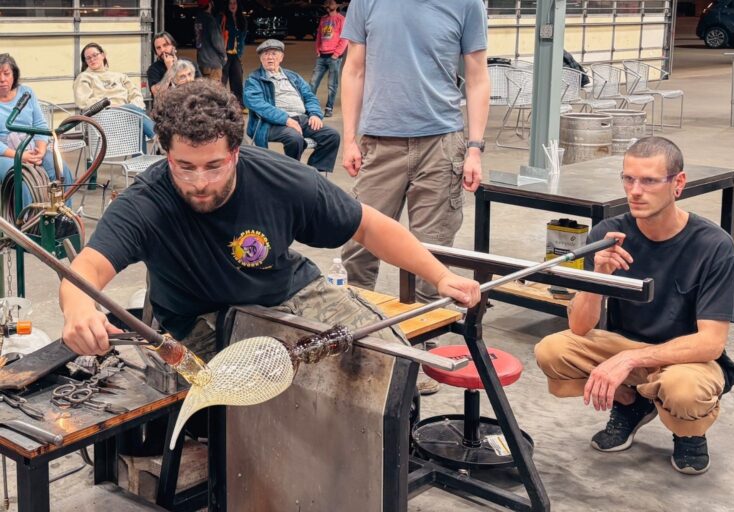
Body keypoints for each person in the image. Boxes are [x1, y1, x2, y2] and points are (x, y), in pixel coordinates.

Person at [59, 80, 480, 365]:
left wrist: (440, 276)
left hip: (290, 291)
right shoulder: (147, 202)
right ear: (166, 154)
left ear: (236, 152)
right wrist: (79, 309)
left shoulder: (282, 180)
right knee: (254, 400)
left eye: (214, 166)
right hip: (200, 320)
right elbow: (87, 267)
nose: (199, 182)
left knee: (389, 359)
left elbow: (368, 226)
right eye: (185, 166)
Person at [534, 137, 734, 475]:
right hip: (623, 344)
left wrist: (630, 359)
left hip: (686, 359)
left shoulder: (713, 245)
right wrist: (598, 277)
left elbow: (711, 343)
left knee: (683, 390)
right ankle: (632, 404)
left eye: (648, 181)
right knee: (552, 350)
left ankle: (687, 431)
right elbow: (579, 327)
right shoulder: (608, 235)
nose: (635, 191)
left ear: (678, 183)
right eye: (628, 179)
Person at [339, 0, 490, 303]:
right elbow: (354, 69)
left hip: (440, 146)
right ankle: (355, 323)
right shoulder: (366, 2)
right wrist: (350, 139)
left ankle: (426, 328)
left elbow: (477, 79)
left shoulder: (467, 4)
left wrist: (474, 149)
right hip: (380, 143)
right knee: (359, 249)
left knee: (432, 255)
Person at [244, 39, 340, 174]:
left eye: (274, 53)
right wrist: (286, 119)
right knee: (294, 138)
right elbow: (258, 104)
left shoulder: (293, 76)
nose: (270, 57)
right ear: (261, 58)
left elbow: (309, 96)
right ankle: (292, 173)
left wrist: (314, 114)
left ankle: (312, 173)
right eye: (265, 54)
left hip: (302, 119)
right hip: (272, 123)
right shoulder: (254, 80)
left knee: (332, 136)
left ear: (281, 57)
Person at [0, 53, 74, 208]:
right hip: (5, 153)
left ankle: (64, 216)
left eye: (6, 74)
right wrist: (20, 156)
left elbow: (39, 124)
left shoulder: (26, 93)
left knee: (62, 172)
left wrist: (41, 150)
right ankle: (26, 221)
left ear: (14, 74)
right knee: (23, 180)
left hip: (31, 148)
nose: (2, 79)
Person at [73, 42, 154, 144]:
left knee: (137, 119)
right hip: (104, 118)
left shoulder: (120, 76)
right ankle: (159, 137)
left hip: (127, 115)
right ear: (85, 61)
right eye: (88, 58)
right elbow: (83, 102)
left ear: (103, 55)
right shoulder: (84, 77)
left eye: (95, 55)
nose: (92, 59)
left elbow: (136, 95)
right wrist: (108, 105)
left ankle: (151, 144)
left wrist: (128, 107)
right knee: (137, 117)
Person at [310, 0, 347, 118]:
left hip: (334, 57)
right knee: (313, 83)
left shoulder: (341, 19)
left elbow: (344, 38)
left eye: (331, 3)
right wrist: (317, 49)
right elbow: (319, 36)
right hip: (322, 55)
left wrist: (337, 54)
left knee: (332, 85)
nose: (328, 5)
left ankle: (329, 108)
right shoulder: (323, 19)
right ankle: (309, 106)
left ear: (337, 5)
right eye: (327, 3)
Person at [146, 31, 202, 98]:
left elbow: (201, 86)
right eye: (158, 48)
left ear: (173, 46)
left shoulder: (189, 63)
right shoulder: (153, 69)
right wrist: (170, 69)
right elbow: (157, 94)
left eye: (165, 45)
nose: (162, 50)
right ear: (156, 52)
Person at [219, 0, 248, 109]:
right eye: (230, 3)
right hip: (225, 53)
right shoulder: (223, 18)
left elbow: (243, 37)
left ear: (238, 5)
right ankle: (219, 105)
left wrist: (240, 52)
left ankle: (238, 105)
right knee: (222, 82)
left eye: (234, 3)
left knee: (237, 80)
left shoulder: (242, 19)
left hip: (236, 54)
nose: (232, 5)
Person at [195, 0, 226, 81]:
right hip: (213, 64)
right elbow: (217, 42)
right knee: (214, 88)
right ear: (210, 4)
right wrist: (224, 55)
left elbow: (198, 42)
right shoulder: (211, 20)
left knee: (204, 88)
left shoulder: (198, 20)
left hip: (202, 62)